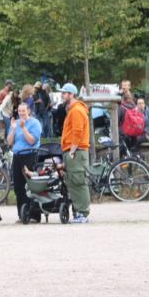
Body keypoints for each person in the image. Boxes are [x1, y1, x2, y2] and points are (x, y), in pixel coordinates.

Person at [59, 83, 91, 224]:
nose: (62, 95)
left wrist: (72, 150)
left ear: (71, 94)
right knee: (73, 182)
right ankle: (80, 213)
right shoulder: (72, 109)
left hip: (76, 152)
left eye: (65, 93)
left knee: (78, 182)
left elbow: (78, 132)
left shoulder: (77, 110)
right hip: (73, 151)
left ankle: (83, 214)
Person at [6, 102, 42, 222]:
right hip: (17, 156)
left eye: (23, 111)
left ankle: (34, 215)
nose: (21, 113)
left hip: (30, 155)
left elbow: (32, 141)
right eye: (19, 111)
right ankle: (22, 214)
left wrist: (23, 128)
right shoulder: (15, 123)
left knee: (31, 185)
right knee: (18, 186)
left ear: (28, 111)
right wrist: (14, 129)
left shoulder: (35, 123)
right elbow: (10, 142)